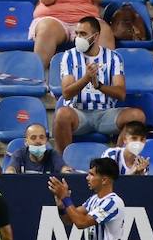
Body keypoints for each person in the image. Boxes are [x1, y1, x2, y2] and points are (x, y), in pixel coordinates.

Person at [53, 16, 134, 155]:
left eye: (83, 34)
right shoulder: (69, 56)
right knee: (61, 114)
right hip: (78, 113)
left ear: (95, 36)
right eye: (77, 33)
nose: (78, 38)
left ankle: (117, 159)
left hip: (106, 113)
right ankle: (63, 164)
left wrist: (99, 86)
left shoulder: (113, 57)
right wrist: (86, 78)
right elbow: (66, 92)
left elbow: (121, 93)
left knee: (136, 116)